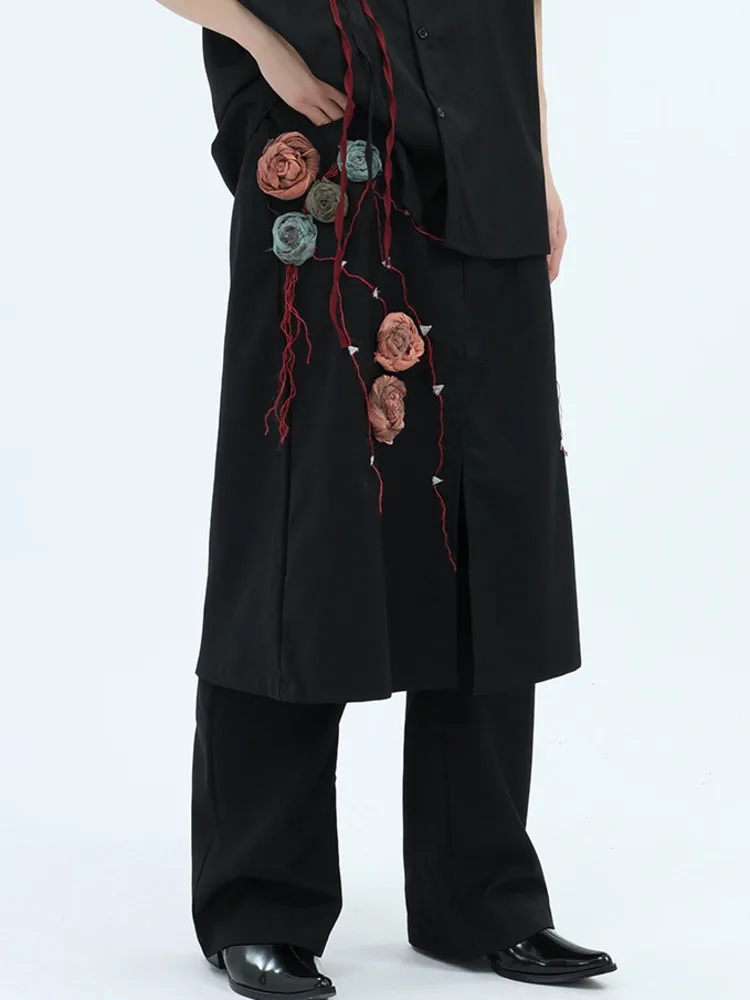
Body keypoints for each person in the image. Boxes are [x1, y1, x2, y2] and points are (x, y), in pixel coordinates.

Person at [156, 2, 617, 997]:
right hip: (329, 149)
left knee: (490, 511)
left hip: (483, 155)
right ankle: (259, 900)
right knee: (303, 519)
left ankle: (480, 899)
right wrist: (264, 48)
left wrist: (535, 158)